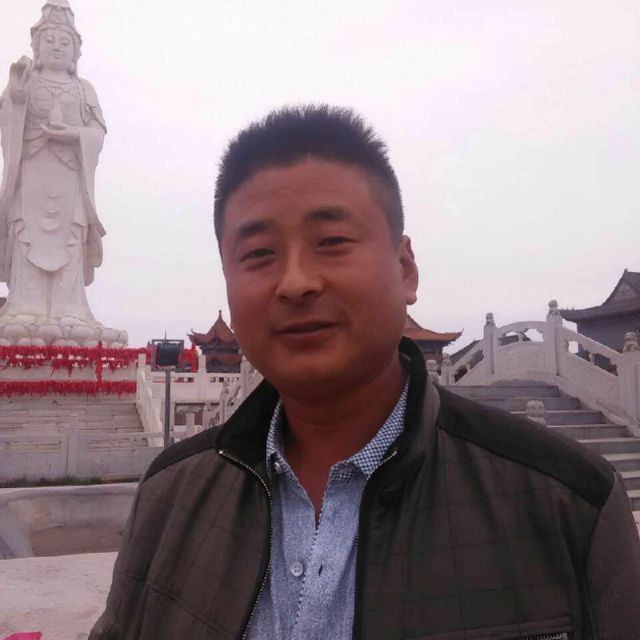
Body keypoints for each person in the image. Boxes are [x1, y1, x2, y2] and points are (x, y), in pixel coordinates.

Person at [91, 106, 640, 640]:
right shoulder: (170, 497)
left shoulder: (567, 501)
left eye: (332, 242)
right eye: (258, 253)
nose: (296, 282)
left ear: (405, 268)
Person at [0, 0, 106, 336]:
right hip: (30, 174)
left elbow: (98, 133)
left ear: (75, 52)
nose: (57, 47)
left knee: (71, 237)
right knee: (26, 233)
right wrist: (16, 99)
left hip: (70, 178)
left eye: (64, 42)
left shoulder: (83, 89)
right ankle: (23, 305)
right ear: (36, 46)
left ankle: (70, 308)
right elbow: (7, 122)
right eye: (49, 40)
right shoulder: (25, 81)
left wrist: (74, 134)